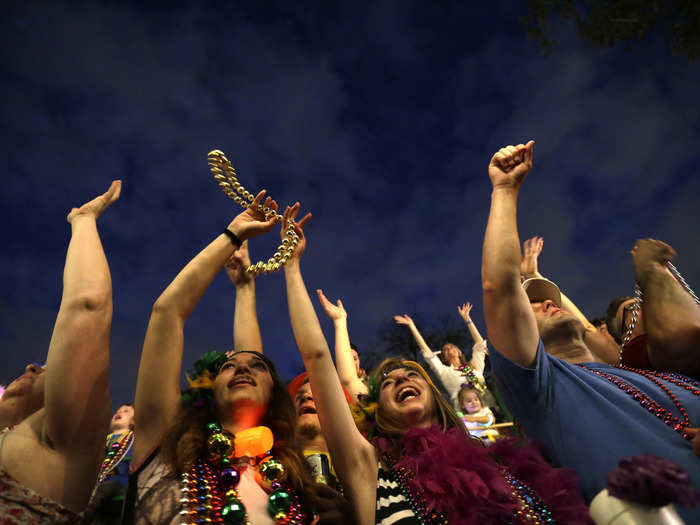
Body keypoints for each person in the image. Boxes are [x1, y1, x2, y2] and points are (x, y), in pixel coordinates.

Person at [282, 203, 590, 524]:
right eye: (387, 382)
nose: (401, 380)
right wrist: (292, 268)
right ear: (380, 412)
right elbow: (317, 360)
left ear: (436, 397)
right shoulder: (368, 470)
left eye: (411, 374)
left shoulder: (504, 464)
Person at [480, 140, 700, 522]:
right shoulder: (540, 387)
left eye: (551, 298)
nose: (549, 302)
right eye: (532, 303)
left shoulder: (651, 373)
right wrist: (504, 190)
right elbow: (499, 285)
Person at [126, 191, 340, 524]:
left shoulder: (292, 489)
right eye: (228, 366)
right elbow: (166, 313)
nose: (242, 366)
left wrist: (245, 287)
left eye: (257, 366)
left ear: (274, 393)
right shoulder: (166, 448)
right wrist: (233, 235)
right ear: (210, 391)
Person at [0, 181, 121, 522]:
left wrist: (84, 221)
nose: (30, 367)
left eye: (46, 367)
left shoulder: (51, 441)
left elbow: (88, 306)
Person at [606, 238, 700, 377]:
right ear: (627, 335)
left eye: (642, 300)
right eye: (633, 307)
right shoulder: (634, 356)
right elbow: (680, 336)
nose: (644, 305)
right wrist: (651, 268)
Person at [520, 236, 620, 365]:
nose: (550, 303)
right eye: (533, 306)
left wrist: (533, 275)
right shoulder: (541, 379)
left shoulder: (627, 369)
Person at [393, 303, 495, 411]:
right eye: (446, 350)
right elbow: (426, 352)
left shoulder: (475, 367)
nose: (449, 350)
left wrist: (468, 319)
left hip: (488, 409)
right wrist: (412, 326)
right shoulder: (444, 372)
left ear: (459, 352)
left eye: (452, 347)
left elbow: (480, 344)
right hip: (466, 415)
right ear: (444, 358)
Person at [87, 403, 136, 524]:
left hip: (120, 485)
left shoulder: (134, 438)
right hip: (96, 485)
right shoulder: (104, 439)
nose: (119, 412)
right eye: (118, 410)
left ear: (133, 421)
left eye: (126, 411)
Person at [316, 289, 369, 401]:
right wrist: (340, 321)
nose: (351, 362)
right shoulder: (332, 390)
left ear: (359, 359)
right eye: (347, 358)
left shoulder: (375, 385)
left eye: (354, 358)